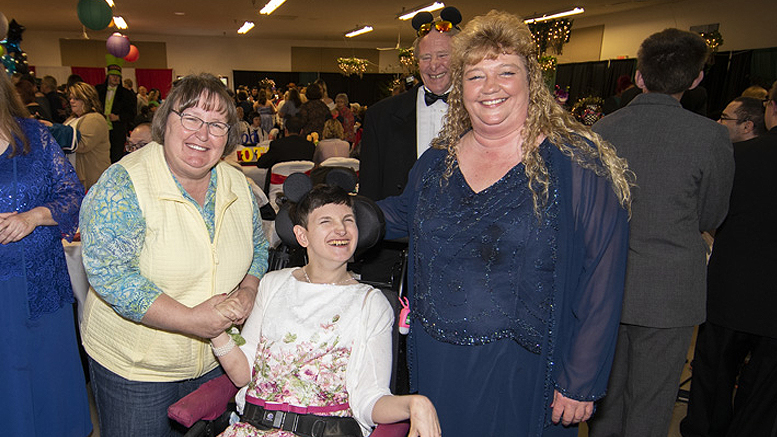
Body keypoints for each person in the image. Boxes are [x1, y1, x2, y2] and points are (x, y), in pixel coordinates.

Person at [377, 10, 634, 436]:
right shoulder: (435, 164)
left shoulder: (576, 165)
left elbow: (603, 274)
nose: (490, 87)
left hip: (527, 368)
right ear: (461, 90)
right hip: (438, 362)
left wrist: (581, 379)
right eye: (476, 76)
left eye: (506, 72)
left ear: (531, 81)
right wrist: (339, 212)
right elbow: (401, 215)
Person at [79, 73, 269, 437]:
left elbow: (258, 247)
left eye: (217, 124)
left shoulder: (237, 184)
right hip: (137, 371)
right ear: (165, 120)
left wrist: (248, 290)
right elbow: (112, 276)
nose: (202, 134)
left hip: (216, 360)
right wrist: (192, 321)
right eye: (191, 118)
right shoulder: (124, 184)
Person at [587, 29, 735, 437]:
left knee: (604, 397)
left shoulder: (602, 131)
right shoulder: (711, 136)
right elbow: (712, 214)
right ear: (695, 80)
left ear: (638, 76)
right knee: (651, 403)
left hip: (606, 283)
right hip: (671, 290)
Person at [212, 183, 441, 437]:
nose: (341, 229)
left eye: (348, 220)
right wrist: (216, 331)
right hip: (253, 428)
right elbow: (245, 373)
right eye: (326, 221)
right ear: (302, 236)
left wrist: (415, 402)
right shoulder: (273, 284)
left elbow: (369, 399)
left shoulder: (371, 303)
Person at [680, 84, 777, 437]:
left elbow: (711, 215)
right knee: (763, 400)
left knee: (711, 385)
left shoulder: (740, 159)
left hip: (730, 291)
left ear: (771, 109)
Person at [0, 70, 91, 436]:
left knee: (49, 380)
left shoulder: (35, 135)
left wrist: (34, 217)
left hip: (42, 283)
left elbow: (73, 193)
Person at [360, 7, 459, 201]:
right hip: (401, 228)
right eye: (426, 57)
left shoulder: (481, 111)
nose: (433, 65)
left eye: (442, 55)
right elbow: (369, 192)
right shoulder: (380, 116)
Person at [65, 81, 111, 190]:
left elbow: (82, 145)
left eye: (76, 98)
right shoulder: (73, 119)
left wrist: (56, 130)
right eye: (70, 98)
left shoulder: (95, 118)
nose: (72, 101)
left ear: (87, 99)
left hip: (92, 178)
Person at [96, 61, 137, 163]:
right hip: (99, 128)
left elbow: (132, 113)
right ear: (108, 76)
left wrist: (118, 117)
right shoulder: (98, 90)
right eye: (113, 76)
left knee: (116, 156)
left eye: (118, 76)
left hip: (117, 130)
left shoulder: (126, 94)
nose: (115, 78)